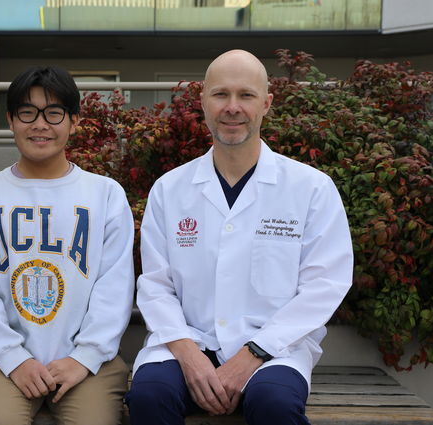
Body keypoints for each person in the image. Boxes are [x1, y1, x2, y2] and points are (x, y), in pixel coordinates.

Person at [125, 50, 354, 425]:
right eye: (221, 94)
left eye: (246, 95)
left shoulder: (311, 188)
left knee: (274, 405)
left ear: (266, 103)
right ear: (202, 100)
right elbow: (155, 286)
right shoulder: (170, 190)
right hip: (186, 344)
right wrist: (188, 354)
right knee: (149, 397)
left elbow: (324, 284)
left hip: (274, 351)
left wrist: (253, 353)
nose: (233, 107)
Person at [0, 65, 135, 425]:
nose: (40, 124)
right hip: (4, 362)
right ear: (10, 120)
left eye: (54, 113)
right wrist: (12, 358)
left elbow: (114, 287)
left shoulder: (105, 194)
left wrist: (84, 357)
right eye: (27, 112)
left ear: (74, 122)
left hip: (88, 362)